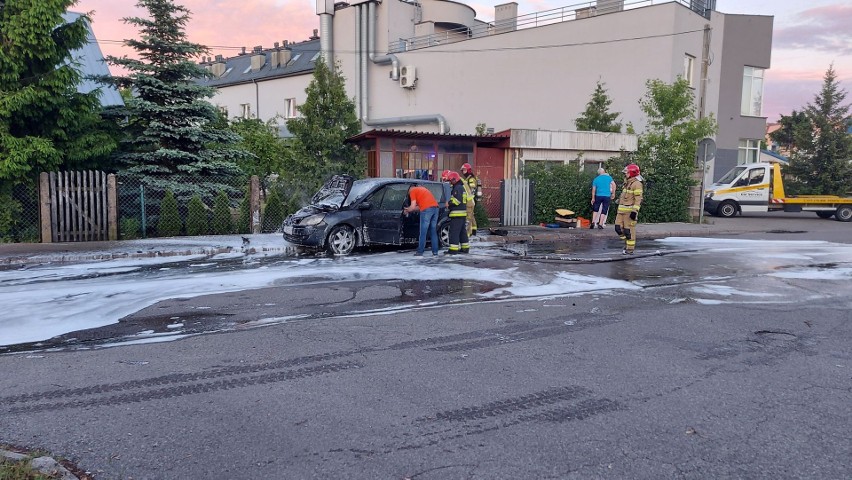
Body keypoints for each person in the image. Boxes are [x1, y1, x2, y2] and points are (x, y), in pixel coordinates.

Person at [403, 184, 440, 257]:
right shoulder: (422, 189)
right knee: (433, 231)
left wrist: (406, 211)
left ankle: (420, 251)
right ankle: (435, 252)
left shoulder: (412, 191)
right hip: (436, 208)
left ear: (410, 189)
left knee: (423, 232)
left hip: (427, 210)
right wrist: (410, 209)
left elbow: (413, 207)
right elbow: (420, 206)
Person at [614, 163, 644, 255]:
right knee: (618, 228)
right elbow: (625, 195)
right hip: (621, 211)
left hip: (629, 212)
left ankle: (630, 249)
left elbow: (638, 199)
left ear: (632, 173)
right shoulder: (627, 182)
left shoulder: (637, 184)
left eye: (627, 173)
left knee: (628, 230)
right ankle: (626, 242)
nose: (625, 174)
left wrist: (634, 212)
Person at [445, 171, 470, 254]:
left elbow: (456, 201)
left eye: (450, 181)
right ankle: (465, 248)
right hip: (462, 214)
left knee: (454, 232)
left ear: (454, 180)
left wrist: (448, 204)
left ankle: (453, 250)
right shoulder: (461, 187)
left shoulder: (457, 188)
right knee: (462, 232)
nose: (450, 182)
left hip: (457, 214)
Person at [460, 163, 480, 236]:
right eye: (462, 170)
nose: (463, 172)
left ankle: (468, 233)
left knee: (468, 217)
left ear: (468, 170)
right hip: (472, 200)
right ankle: (474, 229)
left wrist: (468, 197)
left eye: (464, 170)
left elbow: (472, 189)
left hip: (470, 200)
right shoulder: (468, 178)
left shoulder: (471, 179)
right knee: (471, 215)